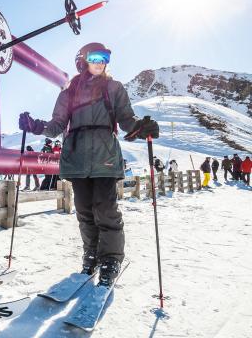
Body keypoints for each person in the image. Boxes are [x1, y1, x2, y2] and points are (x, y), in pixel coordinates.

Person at [18, 42, 159, 286]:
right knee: (84, 211)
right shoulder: (69, 91)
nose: (101, 61)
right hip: (77, 158)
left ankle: (111, 259)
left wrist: (140, 126)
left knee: (105, 209)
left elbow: (126, 118)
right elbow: (57, 125)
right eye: (96, 57)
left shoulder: (113, 87)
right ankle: (91, 254)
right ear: (83, 60)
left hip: (104, 155)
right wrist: (35, 126)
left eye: (105, 57)